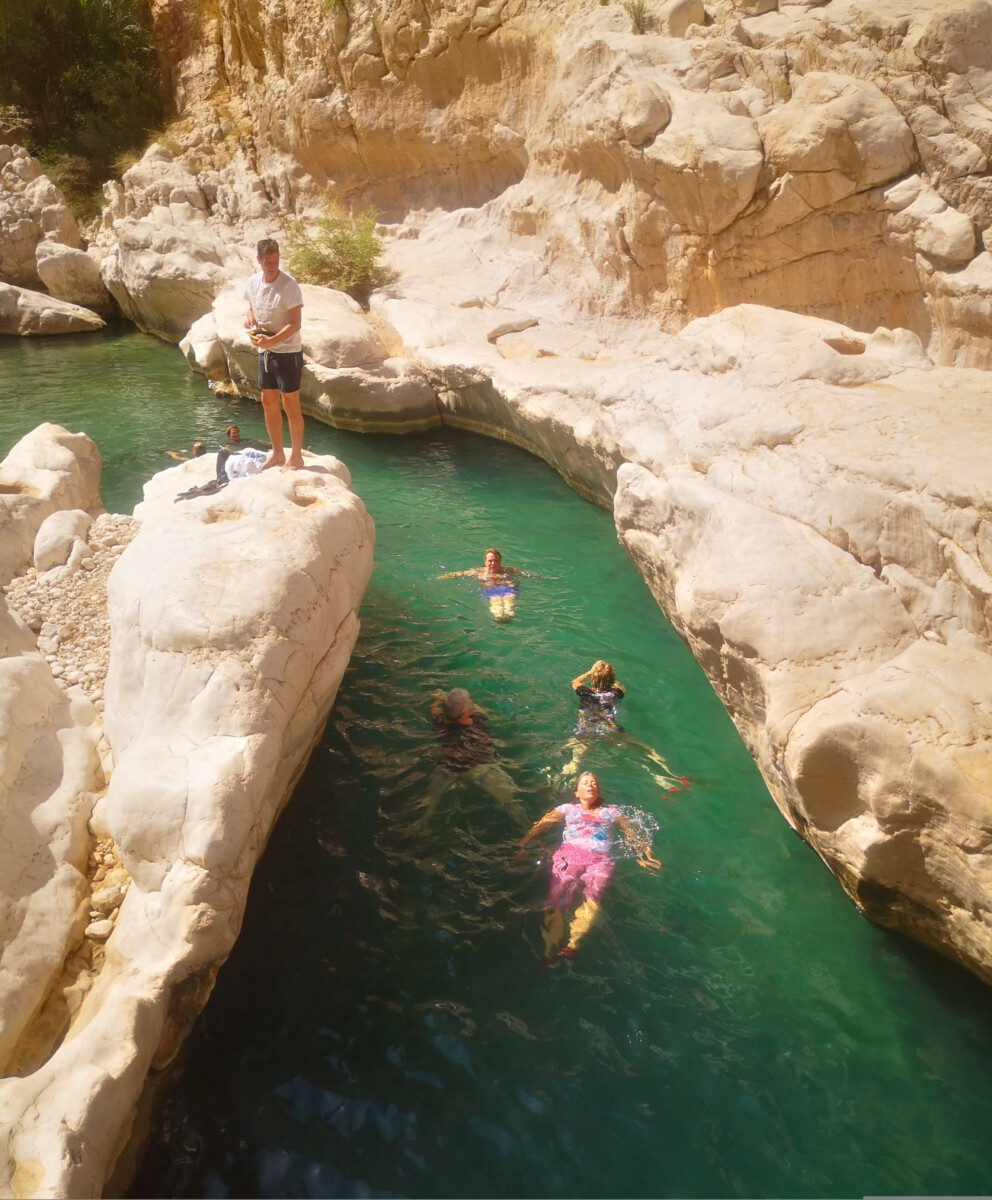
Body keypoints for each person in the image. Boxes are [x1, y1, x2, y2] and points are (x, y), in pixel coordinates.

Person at [518, 771, 660, 965]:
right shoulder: (567, 809)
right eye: (585, 783)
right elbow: (541, 825)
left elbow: (632, 833)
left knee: (593, 898)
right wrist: (522, 844)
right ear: (576, 792)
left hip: (599, 860)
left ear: (598, 791)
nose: (591, 785)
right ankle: (548, 948)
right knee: (555, 898)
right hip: (569, 855)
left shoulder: (611, 811)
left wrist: (645, 855)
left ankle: (572, 945)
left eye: (594, 783)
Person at [560, 660, 689, 794]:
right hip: (610, 728)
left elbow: (575, 682)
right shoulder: (617, 692)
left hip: (587, 728)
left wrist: (589, 673)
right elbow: (620, 686)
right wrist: (609, 679)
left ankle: (563, 776)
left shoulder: (584, 692)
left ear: (593, 677)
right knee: (645, 750)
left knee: (575, 759)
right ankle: (662, 777)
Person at [243, 238, 305, 470]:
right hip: (265, 350)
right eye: (267, 262)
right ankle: (277, 453)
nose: (272, 266)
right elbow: (250, 304)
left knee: (290, 404)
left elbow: (295, 324)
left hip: (287, 352)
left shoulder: (289, 286)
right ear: (259, 260)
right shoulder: (252, 282)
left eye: (276, 261)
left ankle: (296, 456)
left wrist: (272, 341)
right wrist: (249, 316)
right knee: (268, 401)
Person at [420, 687, 517, 821]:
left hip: (448, 765)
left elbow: (433, 708)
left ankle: (419, 824)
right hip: (476, 767)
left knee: (429, 801)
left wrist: (439, 698)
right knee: (510, 798)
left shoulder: (439, 720)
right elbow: (476, 709)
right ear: (466, 713)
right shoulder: (477, 719)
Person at [438, 548, 530, 622]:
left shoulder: (509, 570)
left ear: (500, 561)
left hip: (508, 588)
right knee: (496, 601)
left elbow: (527, 574)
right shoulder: (479, 571)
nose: (493, 564)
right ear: (485, 562)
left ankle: (509, 616)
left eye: (496, 561)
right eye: (490, 561)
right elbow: (461, 573)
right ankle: (499, 618)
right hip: (491, 590)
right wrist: (445, 576)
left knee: (509, 602)